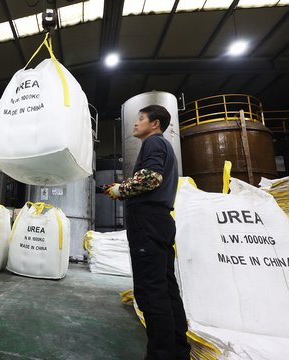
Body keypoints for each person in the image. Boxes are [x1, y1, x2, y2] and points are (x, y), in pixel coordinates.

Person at [104, 105, 190, 360]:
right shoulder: (164, 147)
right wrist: (121, 188)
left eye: (140, 119)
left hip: (148, 222)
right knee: (166, 289)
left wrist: (121, 190)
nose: (135, 123)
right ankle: (178, 351)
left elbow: (151, 179)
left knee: (150, 291)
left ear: (155, 124)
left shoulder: (153, 143)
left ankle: (161, 355)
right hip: (161, 221)